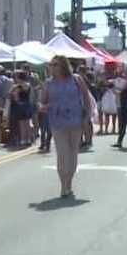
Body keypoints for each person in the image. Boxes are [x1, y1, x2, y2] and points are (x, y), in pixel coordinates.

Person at [40, 55, 94, 198]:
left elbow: (86, 98)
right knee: (62, 154)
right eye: (51, 64)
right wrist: (43, 107)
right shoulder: (48, 83)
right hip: (57, 121)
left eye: (55, 64)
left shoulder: (76, 79)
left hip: (76, 121)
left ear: (63, 65)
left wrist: (87, 116)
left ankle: (68, 183)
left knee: (72, 154)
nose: (52, 67)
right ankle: (63, 186)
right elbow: (41, 102)